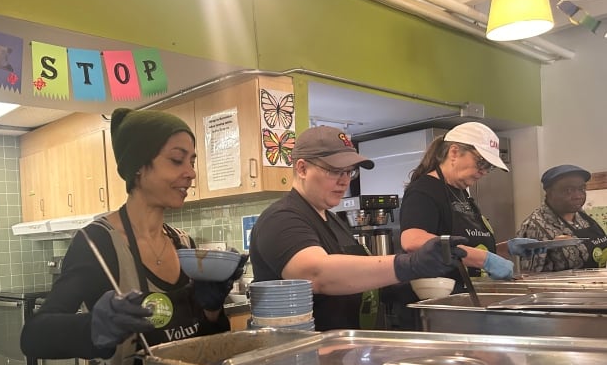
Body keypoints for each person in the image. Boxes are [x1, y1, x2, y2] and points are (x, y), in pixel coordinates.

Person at [21, 108, 246, 365]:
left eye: (192, 162)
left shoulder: (183, 244)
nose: (191, 173)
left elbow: (208, 345)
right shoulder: (97, 243)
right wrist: (93, 327)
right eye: (177, 160)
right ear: (139, 167)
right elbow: (34, 336)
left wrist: (212, 311)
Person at [249, 125, 467, 332]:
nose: (344, 181)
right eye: (334, 171)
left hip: (337, 352)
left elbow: (356, 281)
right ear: (302, 168)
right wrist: (408, 264)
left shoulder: (333, 220)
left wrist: (405, 285)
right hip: (295, 357)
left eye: (349, 172)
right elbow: (316, 274)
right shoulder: (281, 218)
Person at [399, 122, 533, 288]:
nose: (484, 171)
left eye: (489, 167)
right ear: (454, 152)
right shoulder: (424, 190)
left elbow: (466, 249)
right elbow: (412, 241)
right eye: (482, 162)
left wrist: (507, 248)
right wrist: (484, 259)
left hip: (467, 292)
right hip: (439, 297)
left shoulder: (461, 193)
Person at [516, 164, 607, 271]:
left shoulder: (583, 218)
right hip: (564, 288)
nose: (578, 196)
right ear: (549, 192)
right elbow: (530, 278)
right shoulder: (534, 226)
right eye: (568, 190)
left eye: (581, 189)